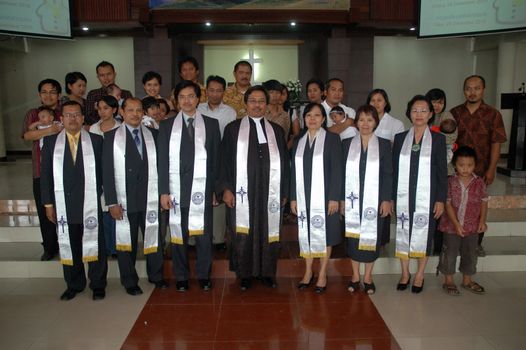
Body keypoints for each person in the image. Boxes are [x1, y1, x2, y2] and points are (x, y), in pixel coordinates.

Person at [220, 85, 289, 290]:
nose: (257, 105)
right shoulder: (232, 129)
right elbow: (223, 162)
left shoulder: (276, 130)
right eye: (253, 101)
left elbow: (285, 163)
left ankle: (268, 273)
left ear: (266, 105)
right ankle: (245, 274)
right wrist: (226, 189)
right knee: (243, 231)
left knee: (269, 231)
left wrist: (284, 191)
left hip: (270, 192)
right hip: (242, 192)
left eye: (261, 101)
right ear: (246, 103)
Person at [40, 101, 108, 301]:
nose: (72, 119)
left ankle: (97, 284)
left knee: (95, 243)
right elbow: (45, 177)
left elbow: (105, 174)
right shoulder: (51, 143)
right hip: (64, 204)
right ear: (61, 119)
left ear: (83, 117)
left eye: (76, 115)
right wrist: (48, 204)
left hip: (90, 202)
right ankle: (74, 284)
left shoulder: (96, 141)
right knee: (69, 243)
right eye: (68, 115)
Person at [158, 80, 221, 291]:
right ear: (176, 100)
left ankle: (204, 275)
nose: (187, 101)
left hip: (202, 191)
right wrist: (164, 191)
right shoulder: (166, 126)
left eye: (191, 96)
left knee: (204, 236)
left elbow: (215, 161)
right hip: (176, 190)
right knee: (178, 236)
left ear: (198, 99)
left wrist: (214, 190)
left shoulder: (211, 125)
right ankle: (181, 276)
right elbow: (162, 162)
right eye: (182, 97)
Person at [102, 97, 167, 295]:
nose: (135, 114)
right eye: (130, 110)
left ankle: (156, 276)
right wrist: (111, 202)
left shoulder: (155, 135)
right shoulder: (111, 137)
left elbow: (163, 167)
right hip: (124, 200)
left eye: (139, 110)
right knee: (126, 243)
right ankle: (129, 281)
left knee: (155, 240)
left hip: (150, 198)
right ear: (121, 112)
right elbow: (107, 172)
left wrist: (163, 194)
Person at [393, 95, 447, 293]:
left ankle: (420, 274)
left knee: (425, 234)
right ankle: (405, 273)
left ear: (431, 114)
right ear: (409, 113)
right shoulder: (400, 139)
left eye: (424, 110)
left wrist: (441, 199)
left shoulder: (439, 140)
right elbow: (394, 170)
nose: (419, 114)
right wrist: (391, 197)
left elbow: (442, 172)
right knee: (403, 233)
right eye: (415, 110)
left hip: (428, 197)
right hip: (403, 196)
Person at [449, 75, 507, 257]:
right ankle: (454, 241)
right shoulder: (455, 113)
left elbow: (497, 143)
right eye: (468, 88)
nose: (472, 92)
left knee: (476, 207)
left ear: (483, 90)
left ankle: (476, 243)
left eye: (476, 88)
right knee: (456, 205)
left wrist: (491, 169)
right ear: (463, 90)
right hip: (457, 170)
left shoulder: (493, 114)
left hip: (480, 170)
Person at [290, 103, 342, 294]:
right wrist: (294, 198)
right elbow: (293, 172)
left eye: (317, 115)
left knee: (325, 234)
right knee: (307, 234)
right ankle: (307, 272)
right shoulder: (298, 141)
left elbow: (338, 170)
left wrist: (335, 197)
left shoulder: (332, 139)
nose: (312, 119)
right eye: (309, 115)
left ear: (323, 118)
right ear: (304, 119)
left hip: (326, 196)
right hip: (304, 197)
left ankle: (322, 274)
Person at [342, 105, 392, 295]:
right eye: (361, 119)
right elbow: (341, 175)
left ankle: (368, 277)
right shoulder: (346, 144)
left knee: (372, 237)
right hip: (352, 199)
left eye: (369, 120)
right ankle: (355, 276)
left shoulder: (384, 144)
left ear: (376, 123)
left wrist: (387, 199)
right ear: (356, 123)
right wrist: (341, 200)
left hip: (376, 199)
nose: (365, 123)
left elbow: (388, 174)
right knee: (353, 237)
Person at [22, 79, 63, 261]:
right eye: (44, 92)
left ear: (59, 95)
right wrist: (51, 130)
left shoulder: (65, 111)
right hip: (40, 171)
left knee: (65, 209)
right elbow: (27, 135)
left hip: (64, 170)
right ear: (39, 95)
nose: (48, 95)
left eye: (52, 92)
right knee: (44, 209)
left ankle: (67, 244)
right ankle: (49, 247)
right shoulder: (33, 113)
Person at [438, 146, 488, 296]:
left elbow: (484, 202)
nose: (465, 169)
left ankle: (467, 280)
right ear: (454, 165)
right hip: (451, 227)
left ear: (475, 165)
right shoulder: (450, 182)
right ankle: (448, 280)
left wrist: (482, 221)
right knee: (450, 252)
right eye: (461, 165)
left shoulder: (479, 182)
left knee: (470, 253)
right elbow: (447, 204)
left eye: (469, 165)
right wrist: (456, 224)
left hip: (472, 227)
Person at [198, 75, 237, 251]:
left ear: (224, 92)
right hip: (200, 157)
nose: (215, 94)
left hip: (222, 157)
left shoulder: (230, 112)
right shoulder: (197, 109)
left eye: (219, 90)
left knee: (219, 194)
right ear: (206, 91)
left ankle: (219, 238)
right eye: (211, 90)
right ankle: (197, 237)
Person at [367, 88, 404, 247]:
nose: (376, 103)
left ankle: (381, 241)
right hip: (368, 172)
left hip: (386, 170)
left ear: (386, 102)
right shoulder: (364, 120)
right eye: (372, 100)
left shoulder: (396, 123)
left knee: (384, 201)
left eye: (379, 100)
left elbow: (399, 148)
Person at [90, 95, 121, 258]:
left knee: (115, 209)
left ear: (114, 110)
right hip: (97, 174)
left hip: (117, 175)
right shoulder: (93, 129)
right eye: (100, 108)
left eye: (106, 108)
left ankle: (116, 247)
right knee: (102, 211)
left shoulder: (121, 128)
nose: (102, 112)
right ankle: (106, 246)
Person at [426, 88, 457, 176]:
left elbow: (451, 137)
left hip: (444, 167)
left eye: (440, 103)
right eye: (434, 102)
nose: (437, 105)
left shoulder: (446, 115)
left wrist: (432, 135)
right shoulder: (424, 115)